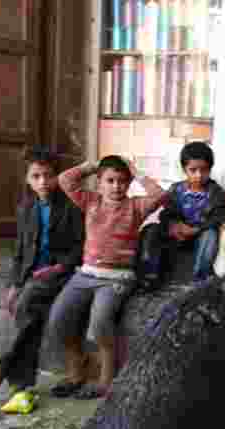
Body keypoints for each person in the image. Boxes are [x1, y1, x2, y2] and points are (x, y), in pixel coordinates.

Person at [45, 155, 167, 399]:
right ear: (99, 182)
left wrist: (137, 172)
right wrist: (91, 166)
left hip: (117, 279)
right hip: (86, 274)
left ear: (129, 183)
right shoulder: (91, 202)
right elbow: (64, 179)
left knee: (100, 324)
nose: (116, 186)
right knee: (59, 317)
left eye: (122, 181)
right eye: (109, 180)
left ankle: (105, 380)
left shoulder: (136, 206)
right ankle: (76, 370)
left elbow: (160, 195)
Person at [0, 147, 85, 400]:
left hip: (60, 273)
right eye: (36, 176)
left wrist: (59, 267)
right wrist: (14, 284)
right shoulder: (27, 207)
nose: (43, 182)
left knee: (27, 304)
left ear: (57, 176)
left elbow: (81, 245)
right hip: (34, 275)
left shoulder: (71, 206)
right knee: (27, 314)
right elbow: (20, 251)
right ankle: (20, 383)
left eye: (48, 175)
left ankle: (3, 368)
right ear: (27, 178)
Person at [154, 141, 225, 284]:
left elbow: (220, 217)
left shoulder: (216, 193)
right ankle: (150, 275)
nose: (199, 175)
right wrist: (174, 225)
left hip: (201, 236)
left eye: (204, 170)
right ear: (184, 169)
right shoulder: (176, 190)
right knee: (151, 230)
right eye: (193, 170)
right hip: (178, 234)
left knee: (211, 234)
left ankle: (199, 279)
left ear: (210, 169)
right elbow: (166, 213)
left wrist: (196, 229)